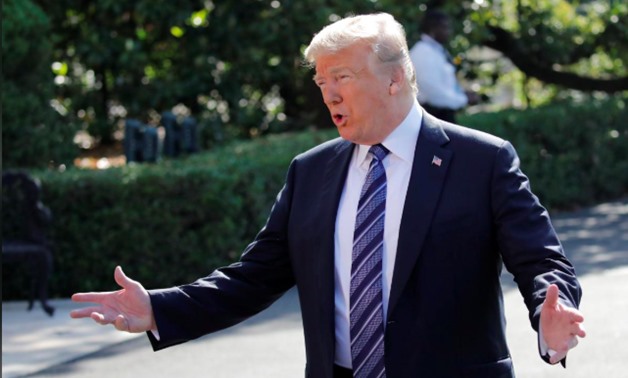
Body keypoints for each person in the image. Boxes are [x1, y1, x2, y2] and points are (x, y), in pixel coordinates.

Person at [71, 13, 585, 378]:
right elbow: (253, 279)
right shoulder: (311, 171)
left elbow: (539, 258)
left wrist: (549, 314)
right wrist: (159, 309)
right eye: (322, 81)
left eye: (343, 76)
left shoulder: (481, 160)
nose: (329, 94)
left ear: (396, 78)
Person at [409, 9, 479, 123]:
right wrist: (463, 99)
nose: (449, 32)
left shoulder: (436, 51)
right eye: (445, 27)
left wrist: (461, 93)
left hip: (443, 115)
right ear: (433, 28)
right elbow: (434, 94)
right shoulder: (423, 52)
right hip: (432, 116)